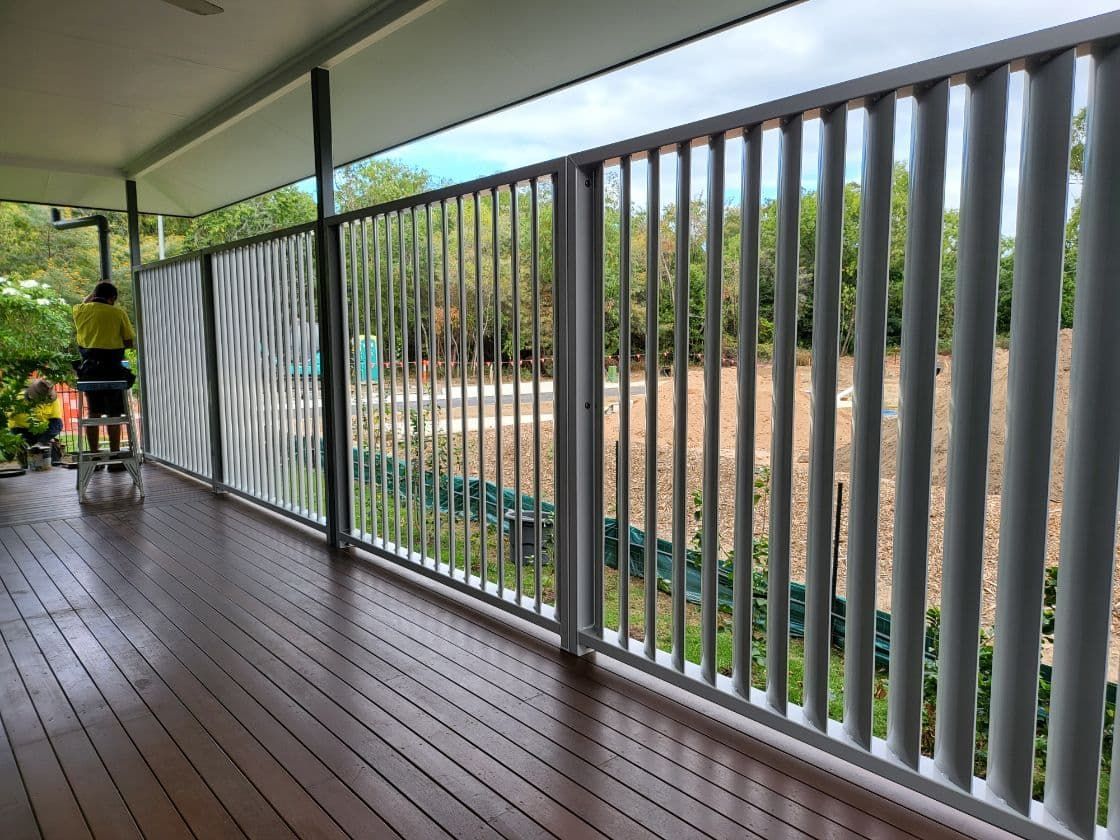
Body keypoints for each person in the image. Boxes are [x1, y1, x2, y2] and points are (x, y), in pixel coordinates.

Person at [73, 281, 135, 458]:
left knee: (93, 413)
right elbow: (129, 342)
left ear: (93, 295)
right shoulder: (118, 313)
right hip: (113, 371)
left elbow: (86, 302)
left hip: (90, 371)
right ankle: (115, 454)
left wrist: (93, 294)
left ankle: (94, 453)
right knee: (114, 413)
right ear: (113, 298)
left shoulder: (80, 310)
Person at [8, 379, 64, 464]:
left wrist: (42, 442)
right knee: (27, 457)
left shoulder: (52, 399)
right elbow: (10, 425)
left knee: (52, 454)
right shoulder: (16, 400)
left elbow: (56, 423)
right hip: (21, 431)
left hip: (42, 431)